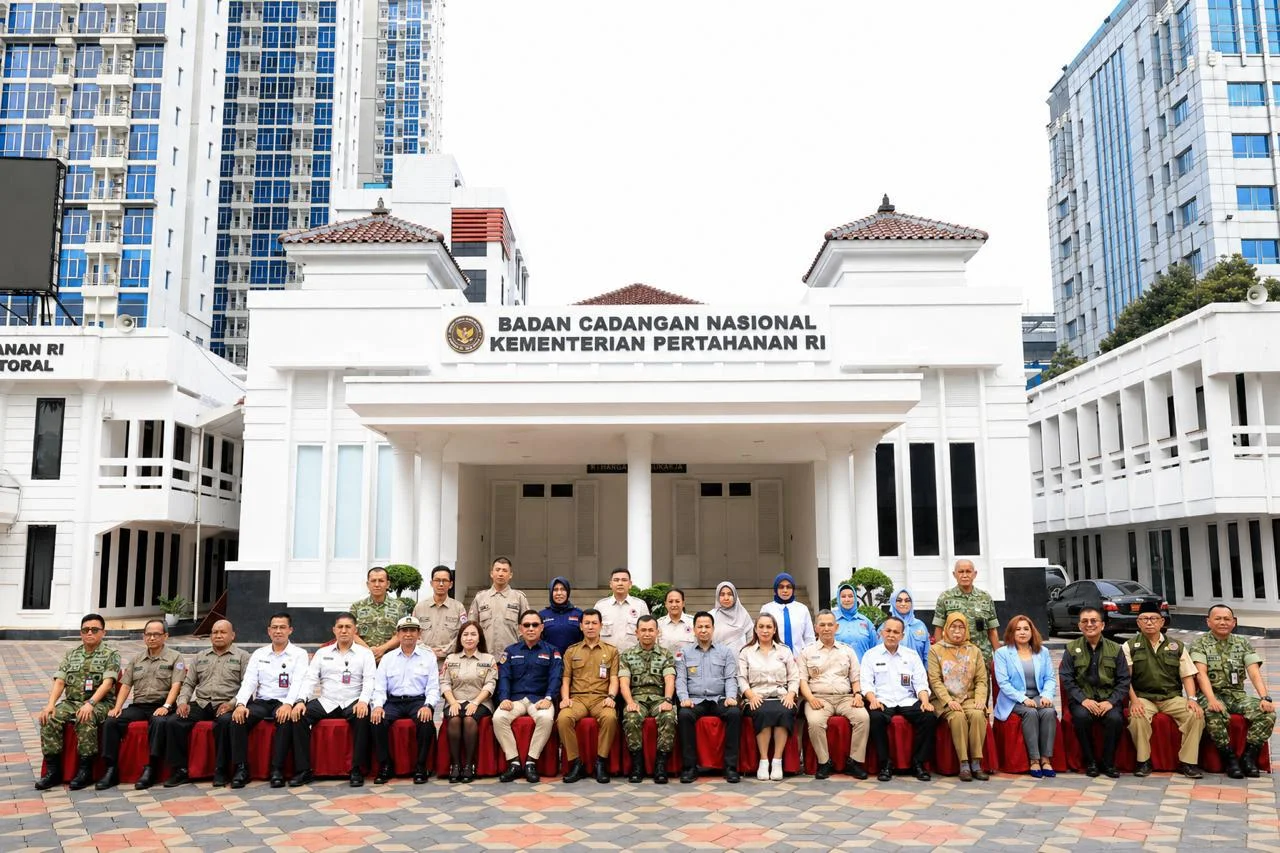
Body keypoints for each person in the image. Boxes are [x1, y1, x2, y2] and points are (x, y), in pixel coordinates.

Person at [289, 612, 377, 787]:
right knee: (299, 715)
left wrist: (363, 701)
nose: (344, 631)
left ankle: (357, 769)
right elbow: (310, 679)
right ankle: (304, 770)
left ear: (355, 630)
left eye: (348, 627)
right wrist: (300, 701)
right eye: (340, 627)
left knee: (362, 716)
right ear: (334, 630)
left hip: (353, 700)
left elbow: (369, 680)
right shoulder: (322, 653)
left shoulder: (365, 654)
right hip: (327, 700)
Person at [34, 613, 121, 791]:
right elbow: (60, 681)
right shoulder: (71, 654)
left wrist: (90, 703)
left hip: (101, 703)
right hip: (72, 701)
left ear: (103, 632)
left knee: (85, 717)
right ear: (81, 633)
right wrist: (50, 704)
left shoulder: (111, 654)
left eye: (94, 630)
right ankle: (53, 771)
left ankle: (85, 770)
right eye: (85, 630)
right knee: (50, 717)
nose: (89, 633)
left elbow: (107, 684)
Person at [95, 619, 184, 790]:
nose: (151, 638)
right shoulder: (137, 659)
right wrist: (117, 707)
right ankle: (111, 769)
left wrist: (166, 706)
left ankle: (150, 768)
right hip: (139, 706)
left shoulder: (175, 657)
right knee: (111, 722)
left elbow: (176, 685)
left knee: (159, 722)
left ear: (165, 636)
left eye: (156, 634)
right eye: (148, 634)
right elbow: (126, 685)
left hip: (162, 705)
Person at [1191, 603, 1276, 779]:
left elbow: (1254, 673)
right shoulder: (1200, 643)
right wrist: (1212, 699)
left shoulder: (1242, 643)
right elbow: (1201, 675)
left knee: (1267, 714)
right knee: (1213, 713)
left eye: (1227, 619)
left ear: (1234, 622)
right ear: (1208, 622)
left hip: (1237, 695)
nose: (1223, 622)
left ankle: (1248, 757)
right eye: (1218, 619)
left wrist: (1265, 697)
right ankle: (1230, 759)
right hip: (1211, 694)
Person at [162, 619, 248, 788]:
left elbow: (247, 685)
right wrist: (182, 701)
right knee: (174, 721)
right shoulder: (200, 657)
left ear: (233, 636)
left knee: (224, 722)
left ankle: (221, 770)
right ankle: (180, 770)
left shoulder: (242, 657)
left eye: (223, 632)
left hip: (226, 704)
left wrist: (232, 704)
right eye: (215, 632)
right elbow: (188, 684)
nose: (218, 635)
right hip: (202, 703)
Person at [1123, 601, 1205, 779]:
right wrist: (1134, 701)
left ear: (1162, 622)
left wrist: (1192, 699)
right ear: (1138, 623)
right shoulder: (1129, 646)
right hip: (1144, 697)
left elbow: (1187, 676)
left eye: (1153, 618)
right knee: (1137, 716)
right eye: (1144, 619)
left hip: (1171, 698)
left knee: (1195, 715)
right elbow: (1125, 679)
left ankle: (1188, 763)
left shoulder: (1176, 646)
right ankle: (1143, 761)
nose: (1149, 622)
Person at [230, 611, 309, 788]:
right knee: (237, 719)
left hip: (285, 700)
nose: (278, 631)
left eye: (282, 627)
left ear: (290, 630)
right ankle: (241, 769)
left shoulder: (299, 654)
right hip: (262, 701)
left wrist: (289, 704)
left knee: (286, 718)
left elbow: (298, 682)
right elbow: (249, 681)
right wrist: (241, 703)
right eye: (274, 627)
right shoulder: (259, 654)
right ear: (268, 631)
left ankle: (277, 769)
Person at [861, 616, 936, 782]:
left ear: (902, 636)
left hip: (907, 700)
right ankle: (885, 764)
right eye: (888, 631)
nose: (891, 635)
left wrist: (925, 701)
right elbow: (866, 683)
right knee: (875, 717)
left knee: (929, 717)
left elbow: (921, 682)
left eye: (896, 632)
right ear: (881, 633)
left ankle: (918, 763)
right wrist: (872, 699)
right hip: (882, 700)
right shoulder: (871, 655)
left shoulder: (911, 655)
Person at [798, 610, 870, 780]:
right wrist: (811, 699)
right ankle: (824, 762)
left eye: (830, 624)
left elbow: (855, 678)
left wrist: (858, 694)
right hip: (818, 697)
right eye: (822, 625)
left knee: (863, 718)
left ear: (836, 627)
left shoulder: (847, 651)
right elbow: (802, 681)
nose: (826, 628)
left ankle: (854, 762)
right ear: (816, 628)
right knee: (815, 722)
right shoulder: (806, 652)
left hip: (845, 697)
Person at [493, 609, 563, 783]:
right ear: (520, 629)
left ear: (541, 628)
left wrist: (548, 698)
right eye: (526, 625)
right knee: (498, 718)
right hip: (515, 700)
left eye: (535, 625)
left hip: (539, 700)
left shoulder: (552, 651)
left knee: (546, 719)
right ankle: (514, 762)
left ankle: (531, 761)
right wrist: (504, 699)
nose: (531, 628)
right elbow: (504, 677)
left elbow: (556, 677)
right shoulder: (510, 651)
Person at [1059, 607, 1129, 779]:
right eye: (1085, 621)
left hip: (1108, 699)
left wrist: (1111, 701)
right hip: (1082, 700)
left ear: (1102, 625)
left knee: (1115, 718)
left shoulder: (1115, 649)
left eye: (1093, 621)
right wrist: (1083, 700)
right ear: (1079, 626)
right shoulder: (1071, 648)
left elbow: (1123, 680)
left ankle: (1108, 762)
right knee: (1081, 718)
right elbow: (1067, 678)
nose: (1089, 624)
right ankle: (1090, 762)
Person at [371, 616, 440, 785]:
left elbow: (433, 687)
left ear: (419, 634)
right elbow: (379, 687)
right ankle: (385, 766)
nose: (408, 634)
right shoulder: (388, 658)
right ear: (398, 634)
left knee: (426, 723)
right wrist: (378, 706)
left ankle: (421, 766)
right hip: (393, 702)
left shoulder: (428, 657)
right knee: (376, 721)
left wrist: (428, 706)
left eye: (412, 630)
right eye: (404, 631)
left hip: (417, 700)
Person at [676, 611, 742, 783]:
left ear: (713, 629)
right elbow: (681, 679)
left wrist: (730, 697)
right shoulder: (684, 653)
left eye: (707, 627)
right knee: (684, 715)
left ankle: (730, 767)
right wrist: (684, 698)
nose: (703, 630)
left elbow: (730, 678)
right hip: (695, 700)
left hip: (718, 699)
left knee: (734, 713)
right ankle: (690, 767)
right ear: (694, 629)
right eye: (700, 627)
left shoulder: (725, 652)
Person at [557, 609, 620, 784]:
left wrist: (611, 697)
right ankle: (576, 763)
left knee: (610, 717)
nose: (590, 626)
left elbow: (614, 678)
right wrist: (565, 698)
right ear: (581, 626)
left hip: (601, 698)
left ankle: (601, 762)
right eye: (587, 623)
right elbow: (566, 679)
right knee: (563, 718)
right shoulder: (571, 651)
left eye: (594, 623)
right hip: (578, 699)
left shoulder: (611, 651)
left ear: (600, 626)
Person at [993, 615, 1058, 778]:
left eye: (1026, 629)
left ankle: (1046, 758)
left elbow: (1050, 678)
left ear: (1032, 631)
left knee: (1049, 712)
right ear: (1011, 632)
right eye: (1018, 629)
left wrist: (1046, 695)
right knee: (1030, 713)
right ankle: (1034, 760)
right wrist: (1023, 699)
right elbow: (1004, 683)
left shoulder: (1042, 651)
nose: (1022, 632)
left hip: (1037, 696)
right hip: (1013, 699)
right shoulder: (1002, 653)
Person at [927, 613, 989, 782]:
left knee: (977, 714)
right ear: (946, 628)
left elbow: (982, 679)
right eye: (953, 627)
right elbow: (935, 680)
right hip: (944, 699)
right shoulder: (936, 650)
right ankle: (964, 764)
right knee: (958, 717)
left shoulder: (974, 651)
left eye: (961, 627)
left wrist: (980, 699)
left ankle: (976, 763)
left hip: (968, 698)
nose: (957, 631)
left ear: (966, 630)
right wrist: (949, 700)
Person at [738, 613, 799, 782]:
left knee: (784, 711)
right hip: (756, 696)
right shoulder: (746, 652)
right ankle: (764, 760)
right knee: (762, 711)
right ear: (756, 630)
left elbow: (794, 677)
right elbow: (741, 678)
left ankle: (777, 760)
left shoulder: (784, 651)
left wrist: (791, 694)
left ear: (774, 630)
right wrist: (750, 695)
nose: (765, 631)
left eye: (769, 627)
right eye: (761, 627)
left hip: (781, 695)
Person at [619, 615, 677, 784]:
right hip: (637, 698)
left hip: (659, 698)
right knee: (631, 718)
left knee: (668, 716)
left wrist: (668, 700)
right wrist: (629, 702)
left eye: (651, 630)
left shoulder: (666, 654)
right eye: (643, 630)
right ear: (636, 633)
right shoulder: (627, 655)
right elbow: (624, 682)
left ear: (657, 632)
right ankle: (637, 765)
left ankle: (661, 764)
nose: (647, 634)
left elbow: (669, 679)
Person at [440, 621, 497, 783]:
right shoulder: (451, 659)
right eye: (465, 634)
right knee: (455, 719)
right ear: (460, 638)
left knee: (470, 720)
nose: (469, 638)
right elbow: (444, 683)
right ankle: (455, 765)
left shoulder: (489, 659)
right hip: (455, 701)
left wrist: (476, 703)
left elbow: (490, 684)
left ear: (479, 638)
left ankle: (469, 765)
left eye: (473, 634)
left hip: (480, 702)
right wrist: (452, 702)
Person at [932, 560, 1000, 664]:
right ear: (954, 574)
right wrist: (941, 655)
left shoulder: (985, 597)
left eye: (968, 571)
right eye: (961, 571)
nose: (964, 575)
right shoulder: (945, 597)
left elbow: (992, 630)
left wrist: (999, 657)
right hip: (954, 657)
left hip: (982, 657)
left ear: (975, 574)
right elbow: (938, 630)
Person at [468, 557, 531, 654]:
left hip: (512, 656)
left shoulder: (519, 598)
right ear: (491, 573)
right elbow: (471, 627)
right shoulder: (480, 598)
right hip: (485, 655)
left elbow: (527, 628)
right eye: (497, 570)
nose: (500, 574)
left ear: (510, 575)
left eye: (505, 570)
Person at [351, 566, 413, 664]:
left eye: (381, 581)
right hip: (362, 660)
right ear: (368, 584)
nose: (377, 584)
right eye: (373, 581)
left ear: (387, 584)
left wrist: (382, 649)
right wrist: (369, 651)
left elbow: (403, 633)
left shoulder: (399, 607)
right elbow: (351, 633)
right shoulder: (357, 607)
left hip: (391, 660)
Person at [413, 565, 469, 666]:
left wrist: (444, 651)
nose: (441, 584)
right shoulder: (420, 607)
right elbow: (414, 634)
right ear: (431, 583)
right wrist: (429, 651)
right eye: (437, 580)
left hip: (450, 661)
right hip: (423, 661)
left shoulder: (458, 608)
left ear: (451, 584)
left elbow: (463, 634)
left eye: (445, 580)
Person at [594, 567, 649, 653]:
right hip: (606, 658)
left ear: (630, 584)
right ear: (610, 584)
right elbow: (594, 633)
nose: (620, 583)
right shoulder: (600, 606)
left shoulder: (640, 605)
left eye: (624, 580)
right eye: (616, 580)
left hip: (633, 660)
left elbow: (647, 632)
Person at [759, 572, 815, 653]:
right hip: (774, 659)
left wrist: (807, 657)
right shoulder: (767, 609)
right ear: (775, 589)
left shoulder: (802, 609)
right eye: (781, 587)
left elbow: (809, 638)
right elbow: (761, 636)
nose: (785, 590)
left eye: (788, 587)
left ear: (793, 589)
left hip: (799, 659)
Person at [540, 575, 583, 653]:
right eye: (555, 590)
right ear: (551, 592)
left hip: (573, 661)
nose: (559, 593)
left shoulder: (579, 614)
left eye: (563, 589)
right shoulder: (542, 615)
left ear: (568, 592)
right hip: (550, 662)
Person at [833, 582, 877, 659]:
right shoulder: (832, 621)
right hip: (838, 669)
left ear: (855, 598)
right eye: (843, 596)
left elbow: (874, 648)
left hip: (862, 669)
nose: (847, 599)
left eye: (850, 596)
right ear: (838, 599)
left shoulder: (866, 621)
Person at [711, 581, 754, 654]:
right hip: (716, 661)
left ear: (735, 596)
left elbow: (751, 642)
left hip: (740, 662)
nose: (726, 598)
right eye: (722, 594)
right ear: (717, 596)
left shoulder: (744, 616)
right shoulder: (711, 616)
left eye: (730, 594)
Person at [890, 588, 931, 663]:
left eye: (907, 600)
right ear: (893, 603)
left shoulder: (920, 625)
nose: (903, 604)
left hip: (917, 672)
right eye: (899, 600)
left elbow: (927, 654)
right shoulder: (886, 626)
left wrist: (927, 672)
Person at [656, 587, 695, 653]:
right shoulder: (658, 624)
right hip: (665, 663)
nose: (674, 605)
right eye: (670, 601)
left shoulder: (693, 622)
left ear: (683, 603)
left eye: (677, 601)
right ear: (665, 604)